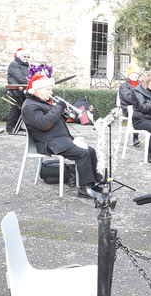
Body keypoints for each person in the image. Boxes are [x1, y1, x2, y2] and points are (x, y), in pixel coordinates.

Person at [21, 73, 104, 201]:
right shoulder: (30, 106)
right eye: (48, 89)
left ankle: (93, 183)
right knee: (83, 154)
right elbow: (44, 124)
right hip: (49, 142)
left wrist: (66, 113)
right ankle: (84, 188)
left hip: (60, 139)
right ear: (37, 90)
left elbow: (54, 118)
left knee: (90, 151)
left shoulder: (43, 102)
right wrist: (59, 107)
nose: (51, 92)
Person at [6, 48, 31, 133]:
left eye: (28, 56)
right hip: (15, 91)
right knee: (15, 109)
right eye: (25, 56)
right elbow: (20, 78)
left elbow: (28, 77)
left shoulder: (26, 65)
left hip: (22, 90)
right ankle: (10, 128)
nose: (26, 58)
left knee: (21, 109)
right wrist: (32, 82)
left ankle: (17, 127)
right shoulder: (14, 64)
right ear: (19, 56)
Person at [118, 64, 142, 147]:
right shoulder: (124, 85)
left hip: (140, 108)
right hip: (128, 109)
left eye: (137, 74)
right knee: (139, 114)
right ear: (129, 74)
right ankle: (135, 138)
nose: (135, 76)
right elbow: (128, 98)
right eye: (133, 74)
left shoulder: (141, 84)